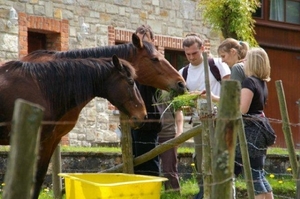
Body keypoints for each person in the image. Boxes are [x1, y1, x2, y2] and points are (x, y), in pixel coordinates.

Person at [178, 33, 231, 199]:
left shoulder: (217, 64)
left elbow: (231, 93)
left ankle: (223, 194)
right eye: (188, 54)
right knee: (201, 161)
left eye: (194, 53)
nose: (191, 57)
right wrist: (188, 104)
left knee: (221, 161)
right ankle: (204, 192)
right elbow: (183, 104)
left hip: (220, 121)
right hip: (199, 123)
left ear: (202, 48)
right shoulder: (183, 72)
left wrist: (210, 97)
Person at [236, 47, 274, 199]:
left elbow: (242, 109)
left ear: (252, 62)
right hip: (260, 129)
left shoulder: (248, 81)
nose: (243, 62)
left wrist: (225, 113)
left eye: (246, 59)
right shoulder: (261, 83)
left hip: (250, 132)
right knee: (259, 173)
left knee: (253, 176)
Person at [131, 24, 161, 176]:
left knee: (149, 162)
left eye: (145, 41)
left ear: (153, 41)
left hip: (149, 119)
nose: (141, 44)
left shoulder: (156, 61)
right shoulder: (131, 61)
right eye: (138, 41)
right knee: (132, 160)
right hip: (132, 119)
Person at [156, 90, 183, 193]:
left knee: (169, 169)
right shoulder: (146, 89)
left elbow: (178, 112)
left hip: (168, 135)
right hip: (151, 135)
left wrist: (179, 131)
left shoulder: (171, 92)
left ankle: (173, 193)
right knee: (151, 169)